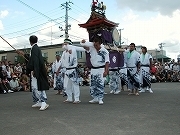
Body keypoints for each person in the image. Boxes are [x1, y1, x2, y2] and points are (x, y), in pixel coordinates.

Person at [18, 35, 49, 111]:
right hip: (36, 69)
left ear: (30, 41)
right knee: (34, 86)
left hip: (37, 70)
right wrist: (23, 54)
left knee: (39, 86)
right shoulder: (35, 48)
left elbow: (35, 61)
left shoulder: (34, 49)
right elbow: (31, 60)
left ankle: (43, 102)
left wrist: (35, 70)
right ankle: (38, 101)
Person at [81, 36, 109, 105]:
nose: (95, 46)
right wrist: (83, 43)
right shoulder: (92, 48)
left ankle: (100, 98)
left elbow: (107, 62)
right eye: (94, 45)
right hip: (93, 69)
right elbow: (86, 48)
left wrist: (106, 71)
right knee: (93, 84)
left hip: (101, 69)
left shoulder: (105, 51)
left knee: (100, 83)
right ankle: (95, 98)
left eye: (96, 45)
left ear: (100, 44)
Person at [61, 38, 83, 104]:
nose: (64, 45)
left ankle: (77, 98)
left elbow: (72, 61)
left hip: (73, 69)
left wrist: (70, 53)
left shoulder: (73, 50)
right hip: (67, 70)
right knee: (67, 85)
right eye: (64, 44)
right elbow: (62, 61)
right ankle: (69, 98)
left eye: (66, 44)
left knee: (75, 84)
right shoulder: (64, 52)